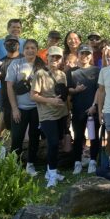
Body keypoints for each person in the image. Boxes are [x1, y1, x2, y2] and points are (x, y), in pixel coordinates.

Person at [30, 45, 68, 188]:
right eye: (52, 56)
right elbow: (33, 95)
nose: (55, 59)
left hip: (61, 113)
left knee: (57, 143)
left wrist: (67, 112)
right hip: (46, 114)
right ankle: (52, 174)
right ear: (47, 58)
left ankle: (50, 170)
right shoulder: (40, 74)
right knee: (52, 142)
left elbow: (63, 95)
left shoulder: (62, 75)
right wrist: (50, 101)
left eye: (58, 57)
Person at [6, 39, 44, 175]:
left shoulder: (41, 66)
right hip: (20, 108)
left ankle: (30, 165)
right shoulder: (15, 64)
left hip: (37, 108)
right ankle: (14, 166)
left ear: (37, 49)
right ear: (23, 50)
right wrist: (14, 108)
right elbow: (9, 87)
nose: (30, 50)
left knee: (34, 137)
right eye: (27, 48)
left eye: (33, 48)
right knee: (17, 137)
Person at [67, 44, 102, 174]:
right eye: (82, 53)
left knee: (93, 137)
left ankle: (93, 161)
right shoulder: (71, 71)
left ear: (91, 55)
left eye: (87, 54)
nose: (85, 56)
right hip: (77, 110)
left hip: (92, 110)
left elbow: (100, 90)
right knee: (78, 137)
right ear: (78, 55)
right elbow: (68, 89)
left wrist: (94, 106)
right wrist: (75, 90)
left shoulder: (96, 70)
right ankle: (77, 162)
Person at [0, 35, 21, 135]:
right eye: (9, 42)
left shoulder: (25, 59)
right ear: (4, 45)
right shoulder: (0, 62)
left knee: (21, 129)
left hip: (24, 100)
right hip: (7, 101)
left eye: (14, 42)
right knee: (3, 125)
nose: (12, 44)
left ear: (19, 45)